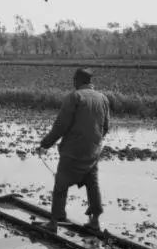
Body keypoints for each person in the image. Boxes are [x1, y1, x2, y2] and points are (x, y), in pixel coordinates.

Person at [38, 68, 110, 232]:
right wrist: (94, 142)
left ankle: (54, 221)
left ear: (77, 81)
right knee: (92, 184)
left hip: (73, 151)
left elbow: (61, 127)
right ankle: (95, 221)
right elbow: (106, 127)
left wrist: (45, 144)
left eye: (74, 80)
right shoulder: (103, 99)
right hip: (93, 152)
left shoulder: (74, 97)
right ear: (90, 82)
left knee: (61, 184)